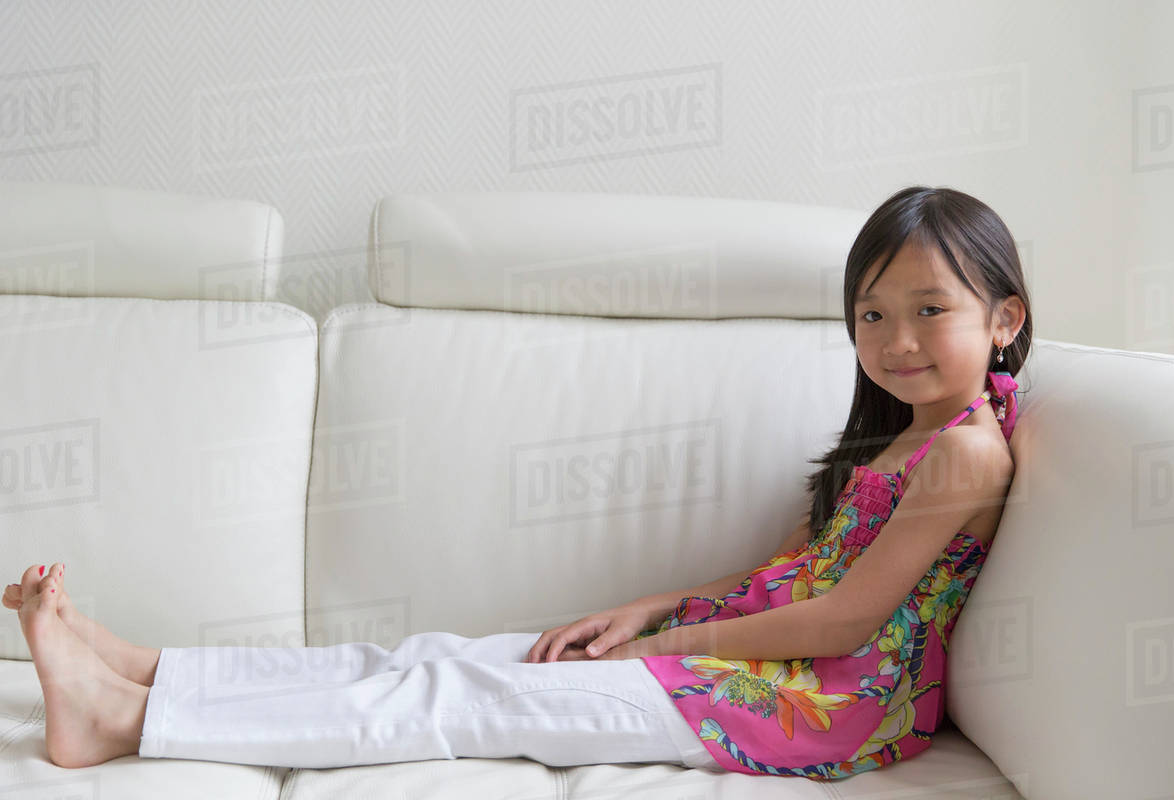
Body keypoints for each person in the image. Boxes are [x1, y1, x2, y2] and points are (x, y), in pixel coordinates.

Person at [6, 185, 1030, 777]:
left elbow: (840, 621)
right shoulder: (907, 439)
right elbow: (801, 578)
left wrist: (671, 643)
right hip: (742, 664)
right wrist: (652, 606)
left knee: (466, 694)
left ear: (1004, 318)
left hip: (812, 704)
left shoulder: (969, 450)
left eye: (929, 309)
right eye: (871, 312)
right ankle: (151, 670)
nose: (894, 339)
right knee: (437, 651)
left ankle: (130, 720)